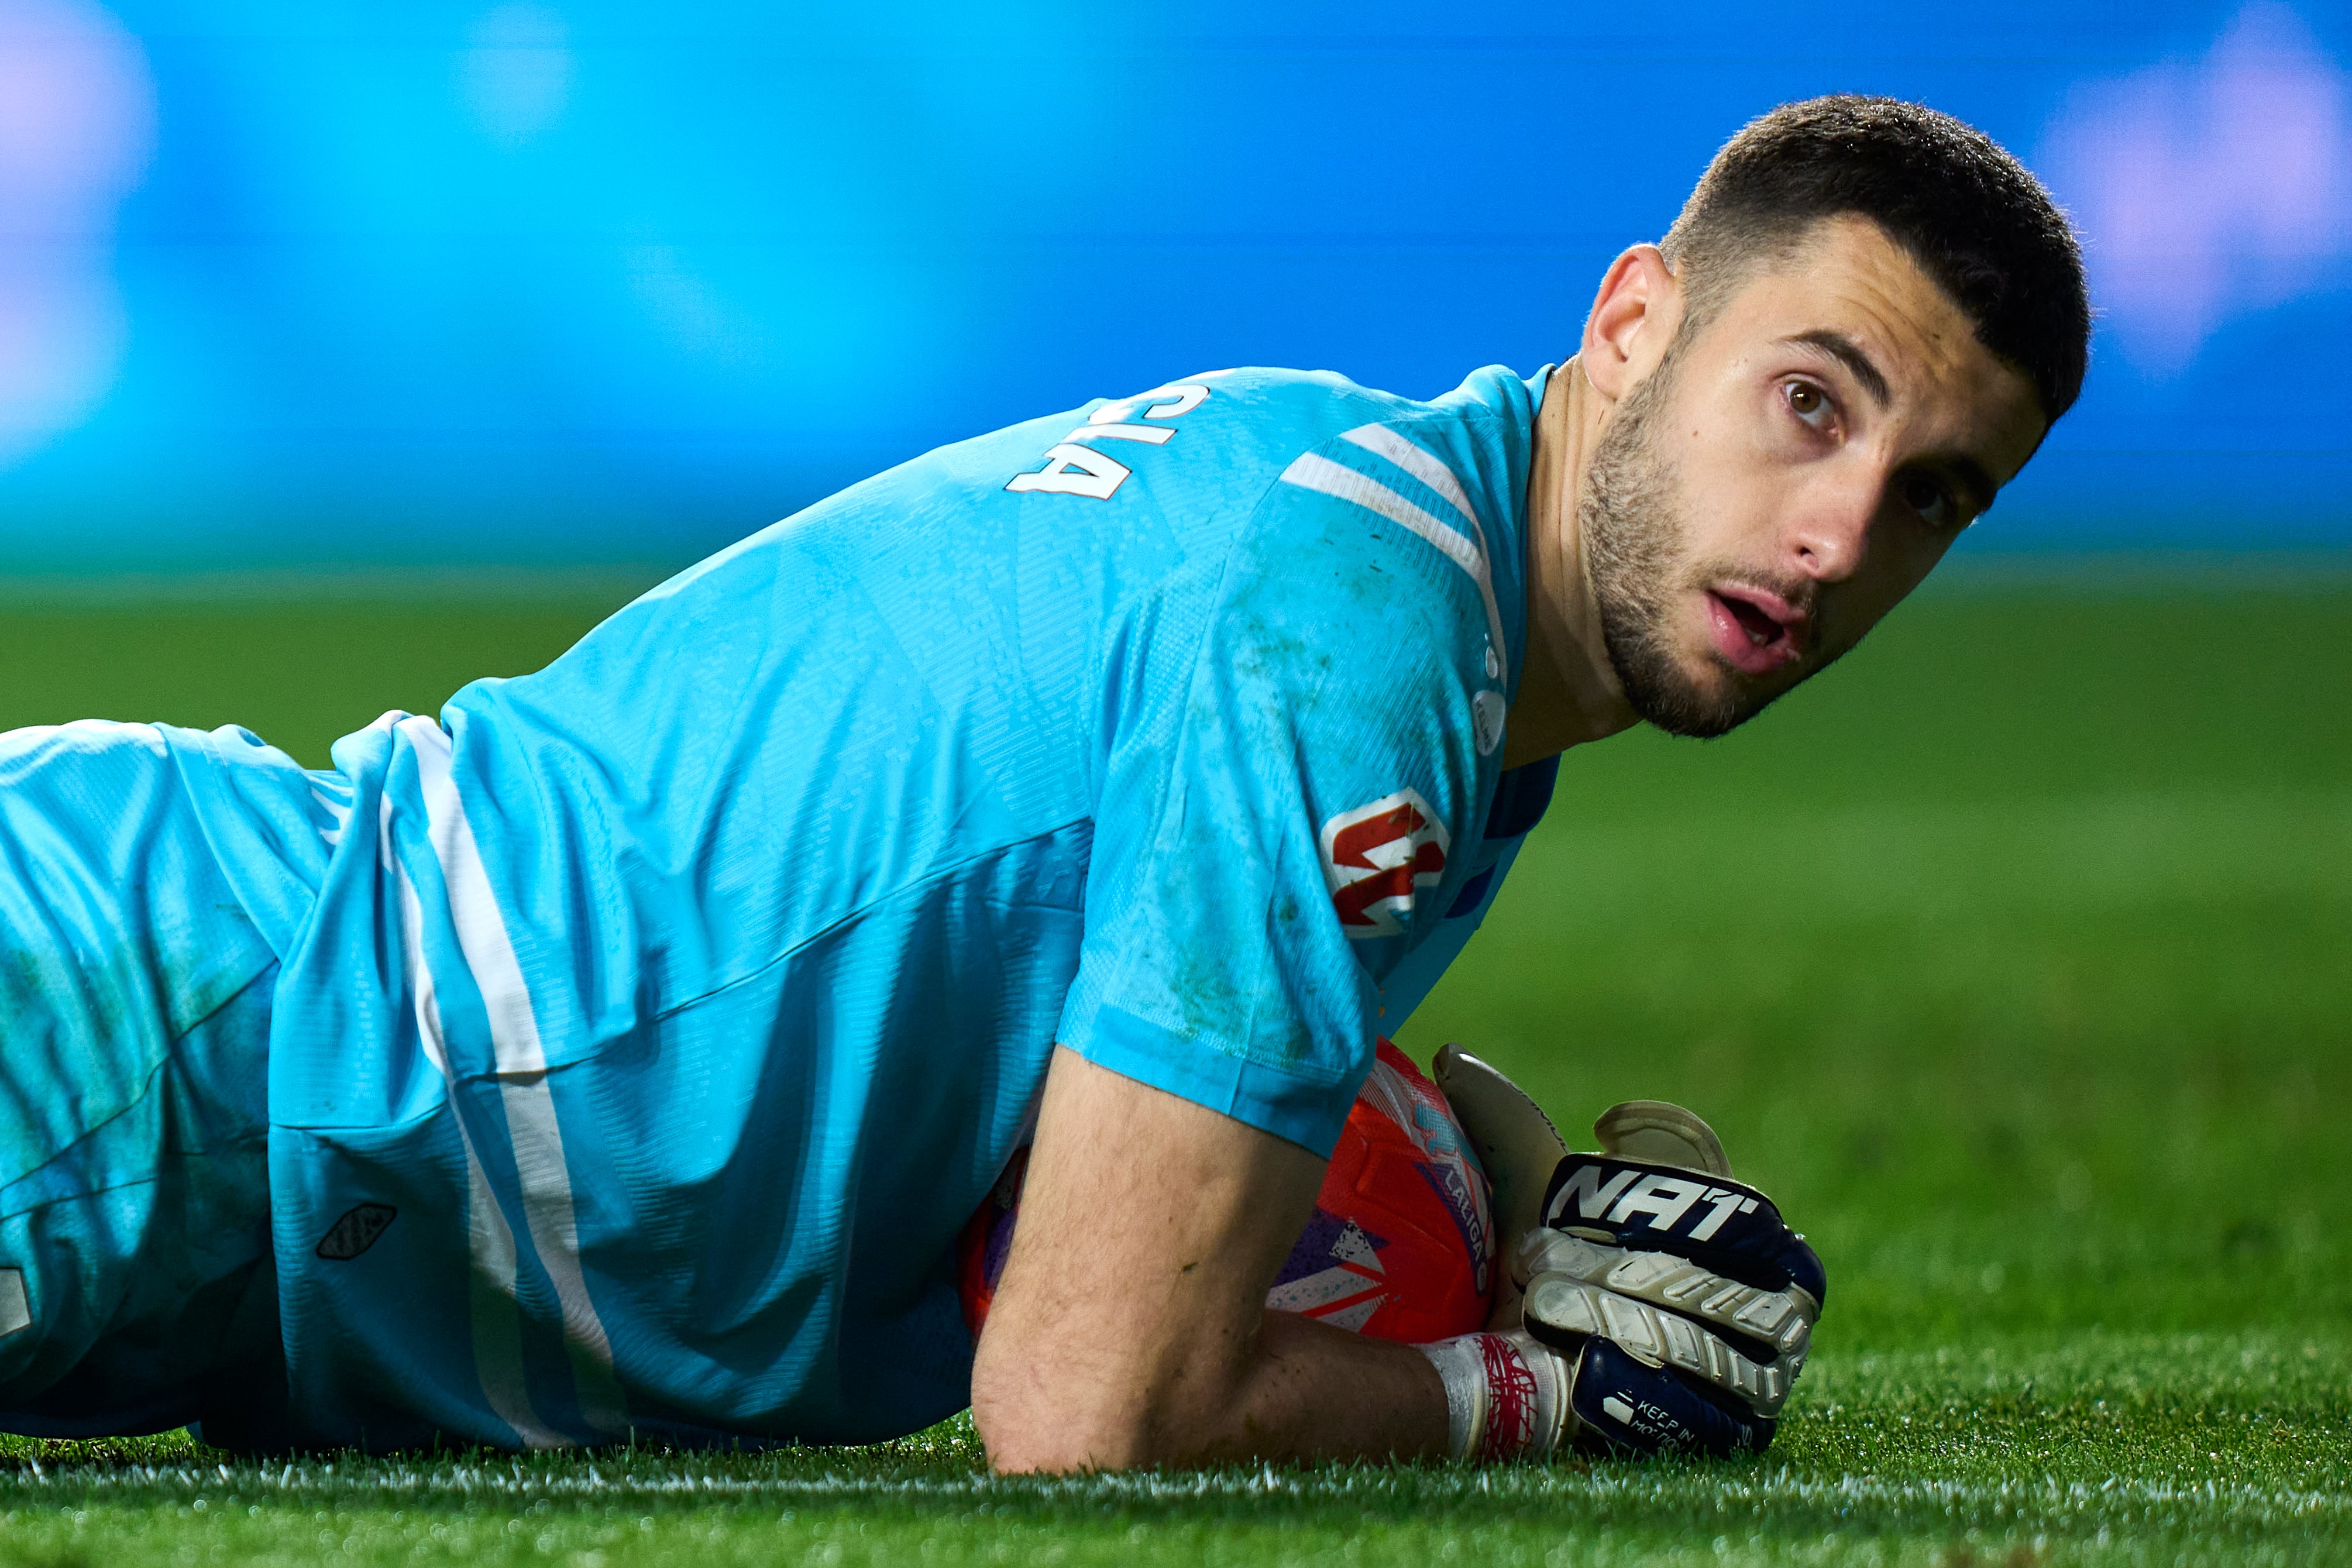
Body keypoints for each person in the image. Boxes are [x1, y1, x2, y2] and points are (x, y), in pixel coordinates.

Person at [0, 95, 2086, 1466]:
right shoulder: (1354, 634)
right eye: (1804, 404)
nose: (1835, 535)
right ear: (1633, 321)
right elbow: (1083, 1404)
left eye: (1928, 499)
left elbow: (1109, 1050)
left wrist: (1530, 1187)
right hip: (158, 1040)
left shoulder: (1385, 552)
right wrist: (1524, 1396)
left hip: (223, 1099)